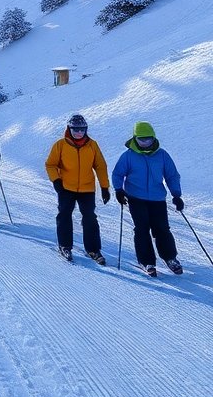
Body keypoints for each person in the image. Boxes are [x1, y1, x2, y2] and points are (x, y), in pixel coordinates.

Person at [112, 121, 184, 276]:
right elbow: (118, 174)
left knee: (162, 229)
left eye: (148, 139)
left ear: (154, 138)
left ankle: (170, 258)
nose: (145, 143)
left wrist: (176, 195)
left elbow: (171, 175)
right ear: (135, 138)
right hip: (136, 198)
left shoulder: (162, 155)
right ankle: (147, 261)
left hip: (157, 199)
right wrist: (119, 190)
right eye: (141, 139)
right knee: (142, 229)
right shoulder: (129, 156)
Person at [44, 114, 109, 264]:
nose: (79, 133)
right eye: (75, 130)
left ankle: (93, 249)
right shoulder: (60, 145)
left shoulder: (92, 145)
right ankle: (65, 245)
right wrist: (56, 180)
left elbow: (100, 166)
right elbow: (51, 164)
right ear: (69, 129)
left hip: (87, 188)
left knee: (90, 217)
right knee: (64, 214)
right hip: (66, 187)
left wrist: (104, 187)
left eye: (82, 130)